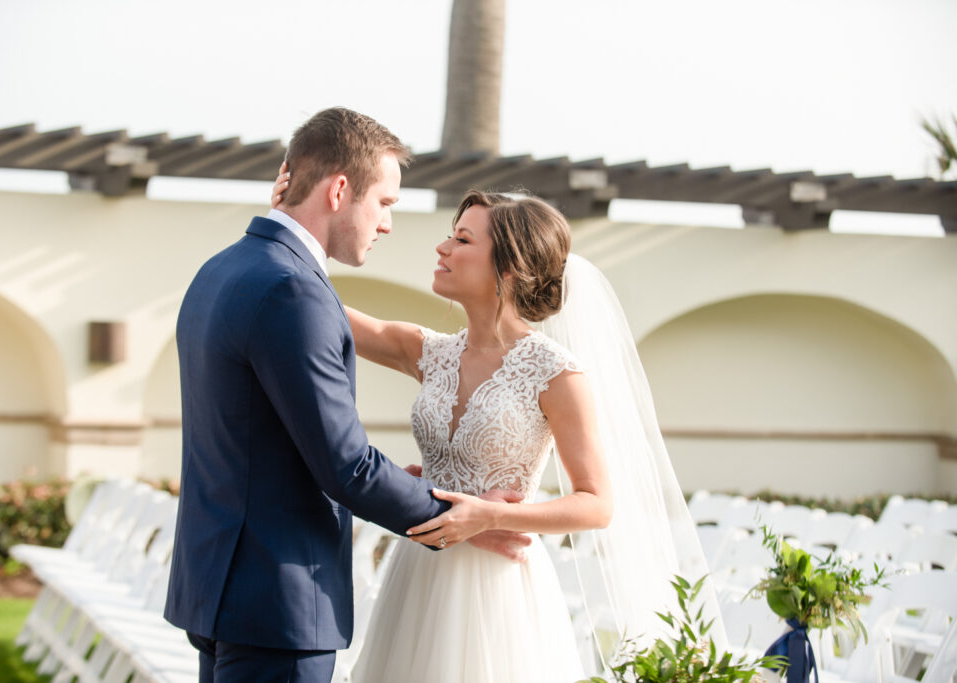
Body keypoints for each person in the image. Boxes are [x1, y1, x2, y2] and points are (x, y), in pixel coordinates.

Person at [271, 171, 725, 681]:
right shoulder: (430, 352)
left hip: (498, 589)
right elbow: (313, 302)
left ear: (510, 269)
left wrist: (489, 515)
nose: (442, 247)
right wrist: (290, 221)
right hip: (420, 571)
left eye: (462, 239)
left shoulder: (556, 372)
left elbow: (596, 503)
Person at [164, 107, 524, 683]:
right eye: (385, 203)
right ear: (339, 190)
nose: (387, 225)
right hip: (277, 601)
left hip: (219, 588)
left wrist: (409, 486)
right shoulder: (292, 291)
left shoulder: (222, 270)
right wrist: (460, 517)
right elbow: (346, 466)